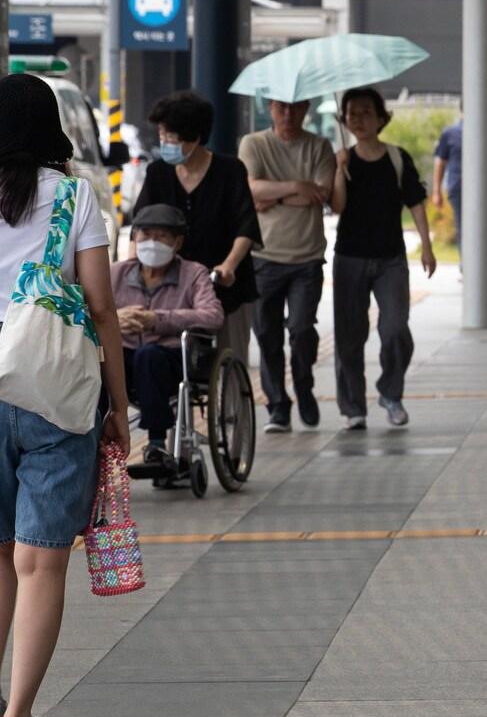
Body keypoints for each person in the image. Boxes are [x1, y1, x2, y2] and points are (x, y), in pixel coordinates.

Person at [0, 73, 129, 717]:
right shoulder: (76, 197)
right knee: (40, 560)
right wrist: (119, 405)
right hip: (55, 391)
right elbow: (103, 308)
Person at [330, 87, 437, 431]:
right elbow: (337, 206)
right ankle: (353, 408)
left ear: (380, 118)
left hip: (390, 258)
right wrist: (338, 170)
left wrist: (426, 244)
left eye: (365, 112)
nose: (358, 119)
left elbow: (416, 202)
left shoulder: (396, 157)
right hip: (350, 258)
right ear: (343, 120)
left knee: (394, 329)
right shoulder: (341, 159)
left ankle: (391, 393)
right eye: (352, 113)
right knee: (349, 336)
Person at [132, 90, 261, 363]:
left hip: (226, 284)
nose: (164, 142)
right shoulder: (158, 172)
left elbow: (246, 225)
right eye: (162, 135)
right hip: (172, 286)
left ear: (195, 138)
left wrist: (229, 265)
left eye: (171, 137)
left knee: (230, 356)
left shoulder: (230, 170)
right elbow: (140, 224)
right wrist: (134, 266)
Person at [238, 100, 335, 434]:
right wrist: (296, 187)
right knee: (266, 334)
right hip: (264, 255)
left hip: (307, 256)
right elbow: (249, 189)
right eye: (281, 108)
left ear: (306, 108)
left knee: (302, 329)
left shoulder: (319, 147)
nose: (288, 115)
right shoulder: (254, 143)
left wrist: (270, 195)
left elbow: (322, 193)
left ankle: (304, 386)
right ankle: (278, 405)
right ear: (270, 107)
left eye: (295, 108)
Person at [111, 204, 224, 463]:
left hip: (171, 360)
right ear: (134, 238)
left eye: (162, 236)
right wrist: (115, 320)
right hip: (124, 358)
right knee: (98, 361)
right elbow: (88, 310)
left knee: (149, 356)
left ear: (178, 242)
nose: (152, 242)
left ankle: (156, 442)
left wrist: (157, 320)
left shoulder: (193, 273)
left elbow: (213, 316)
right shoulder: (116, 273)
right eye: (145, 235)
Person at [431, 114, 462, 250]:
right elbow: (440, 162)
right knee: (463, 228)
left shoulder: (486, 131)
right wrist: (436, 191)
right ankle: (466, 265)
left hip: (483, 191)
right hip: (458, 188)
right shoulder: (450, 133)